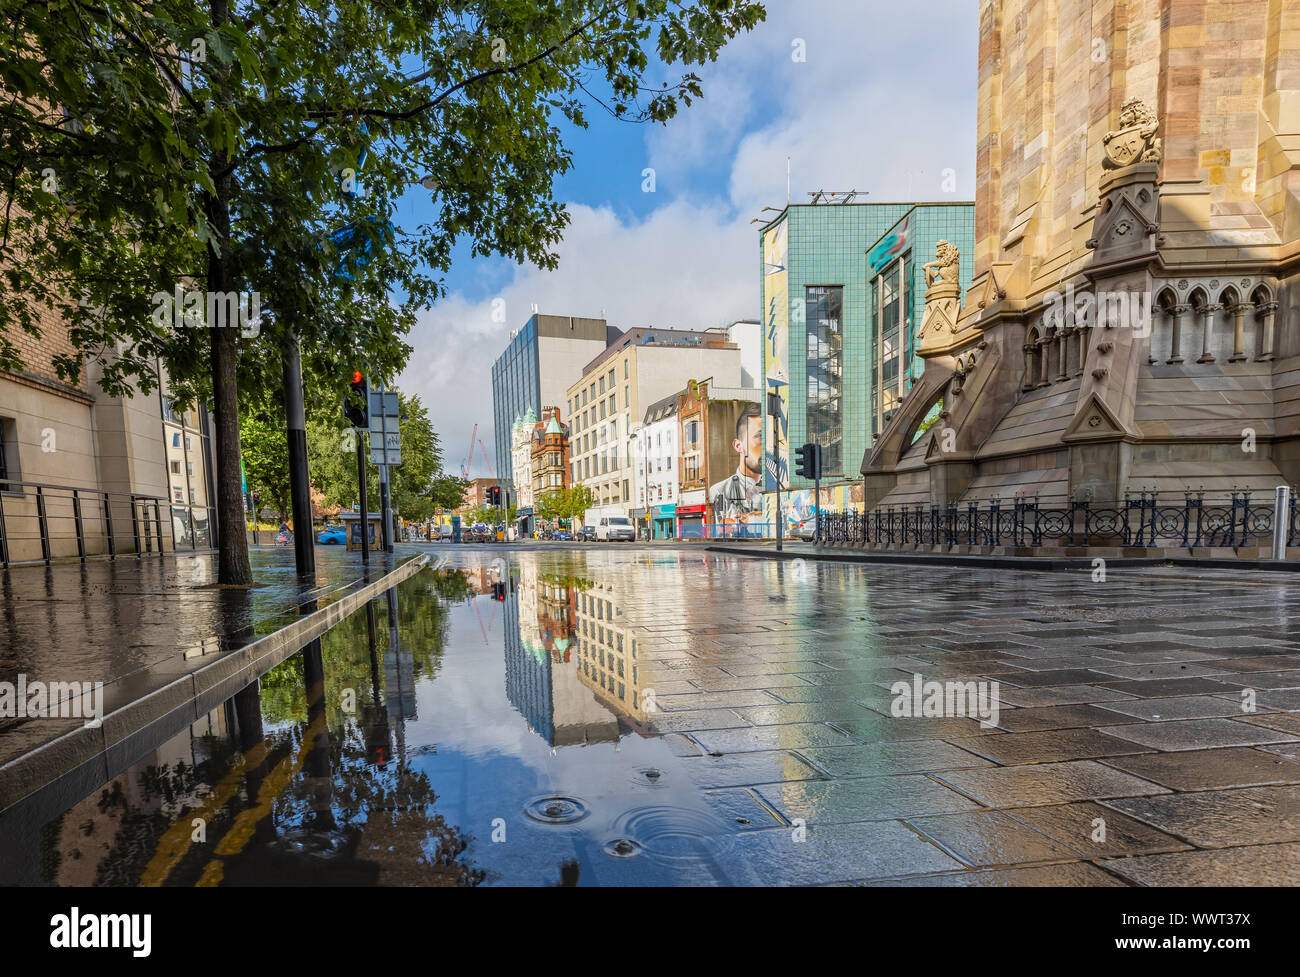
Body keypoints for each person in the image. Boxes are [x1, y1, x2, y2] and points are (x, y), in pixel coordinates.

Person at [708, 402, 764, 519]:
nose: (767, 446)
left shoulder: (780, 489)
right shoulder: (720, 490)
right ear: (738, 446)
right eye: (760, 436)